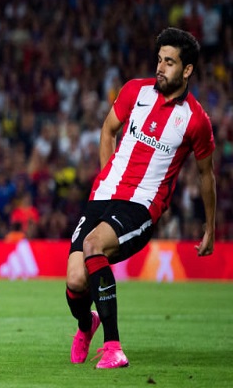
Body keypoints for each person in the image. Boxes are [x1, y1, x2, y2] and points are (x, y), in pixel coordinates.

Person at [65, 27, 216, 369]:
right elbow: (108, 130)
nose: (161, 68)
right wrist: (107, 177)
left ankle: (114, 347)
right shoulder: (135, 91)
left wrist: (210, 226)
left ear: (187, 70)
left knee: (92, 246)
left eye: (170, 62)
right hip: (104, 196)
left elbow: (207, 175)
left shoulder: (196, 121)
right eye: (159, 60)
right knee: (75, 281)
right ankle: (87, 323)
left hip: (141, 206)